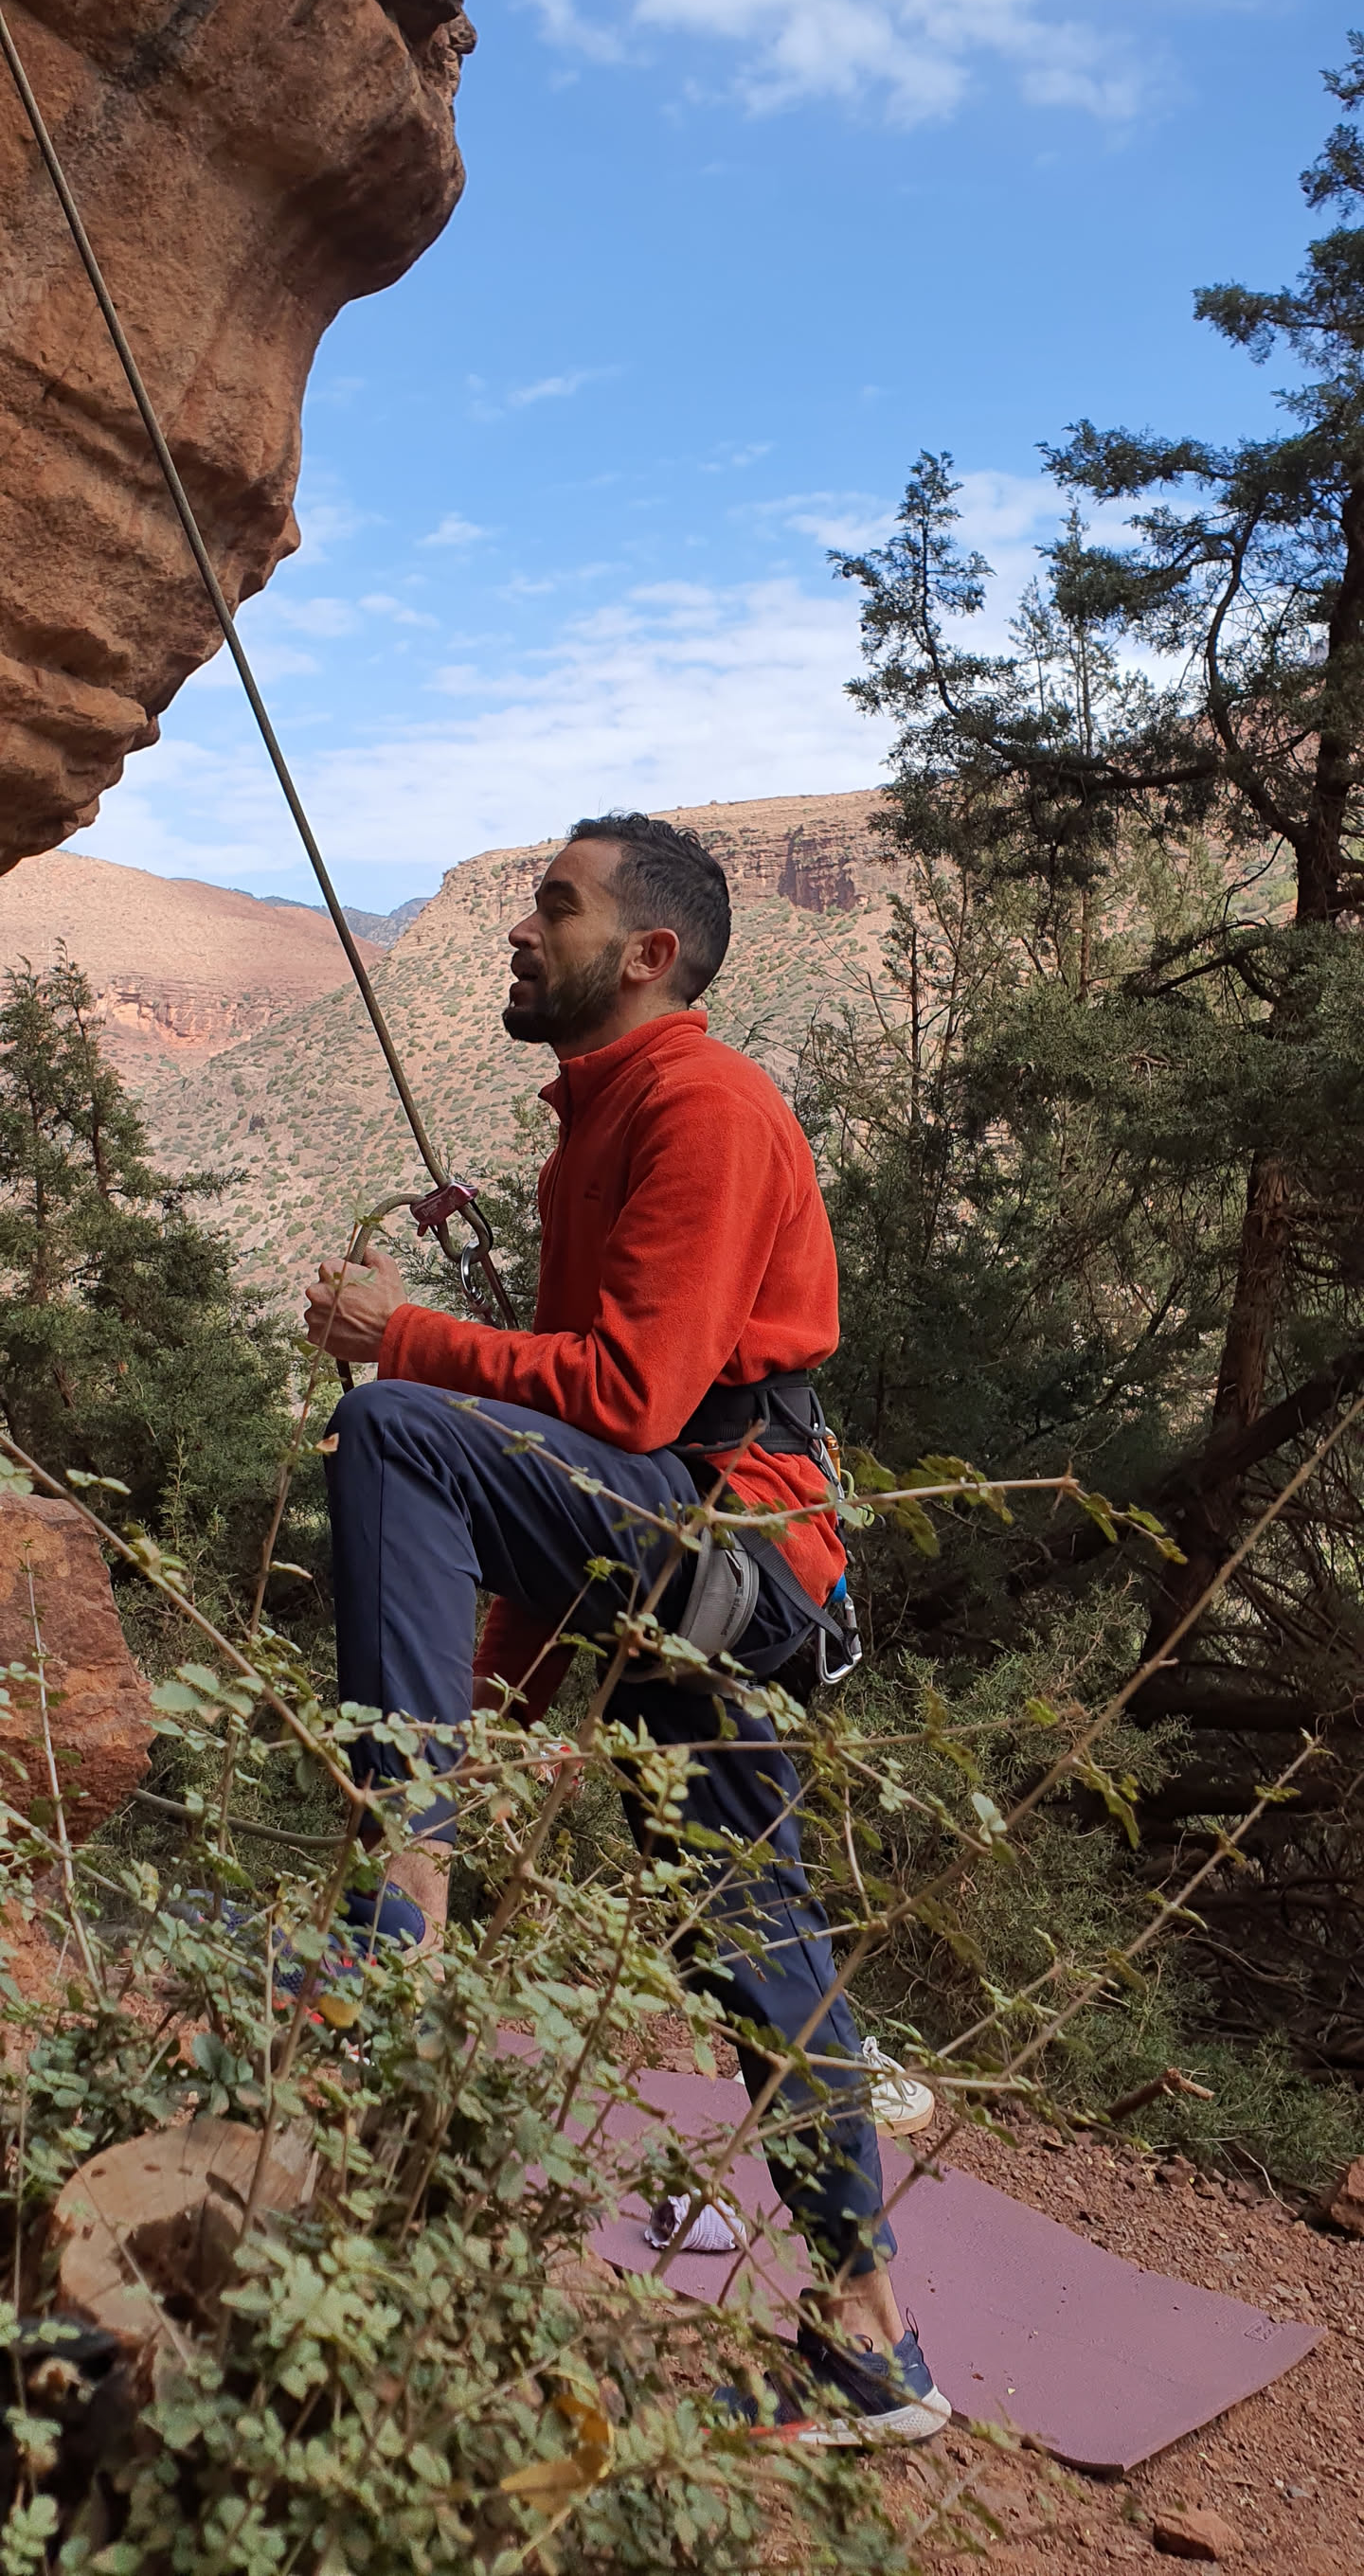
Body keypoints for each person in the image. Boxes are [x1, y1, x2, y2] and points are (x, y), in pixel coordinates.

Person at [304, 812, 949, 2446]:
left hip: (723, 1545)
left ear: (648, 955)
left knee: (391, 1424)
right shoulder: (598, 1124)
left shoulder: (702, 1105)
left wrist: (407, 1337)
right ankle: (875, 2349)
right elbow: (570, 1463)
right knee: (747, 1924)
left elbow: (630, 1400)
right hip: (699, 1558)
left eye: (555, 906)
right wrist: (492, 1691)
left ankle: (401, 1906)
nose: (521, 930)